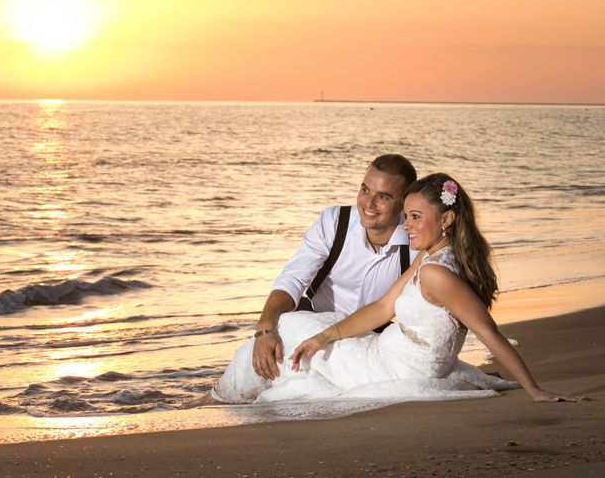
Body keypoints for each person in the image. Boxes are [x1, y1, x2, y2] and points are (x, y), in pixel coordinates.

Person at [209, 173, 579, 404]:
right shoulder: (431, 258)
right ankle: (231, 393)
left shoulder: (437, 274)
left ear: (446, 219)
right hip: (386, 352)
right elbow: (385, 307)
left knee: (289, 328)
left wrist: (534, 390)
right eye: (408, 217)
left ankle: (227, 398)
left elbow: (489, 333)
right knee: (300, 331)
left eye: (415, 218)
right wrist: (326, 337)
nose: (406, 227)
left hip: (391, 370)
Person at [253, 154, 419, 381]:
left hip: (371, 342)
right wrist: (265, 328)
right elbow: (293, 279)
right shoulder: (333, 222)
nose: (368, 203)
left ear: (404, 202)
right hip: (311, 326)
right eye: (365, 190)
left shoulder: (416, 243)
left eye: (383, 197)